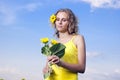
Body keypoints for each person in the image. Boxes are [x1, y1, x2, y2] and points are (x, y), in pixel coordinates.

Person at [43, 8, 86, 80]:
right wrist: (46, 70)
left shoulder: (78, 39)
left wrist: (61, 63)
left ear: (70, 22)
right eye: (57, 19)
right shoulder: (52, 44)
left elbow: (82, 68)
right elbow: (48, 67)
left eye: (64, 20)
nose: (60, 22)